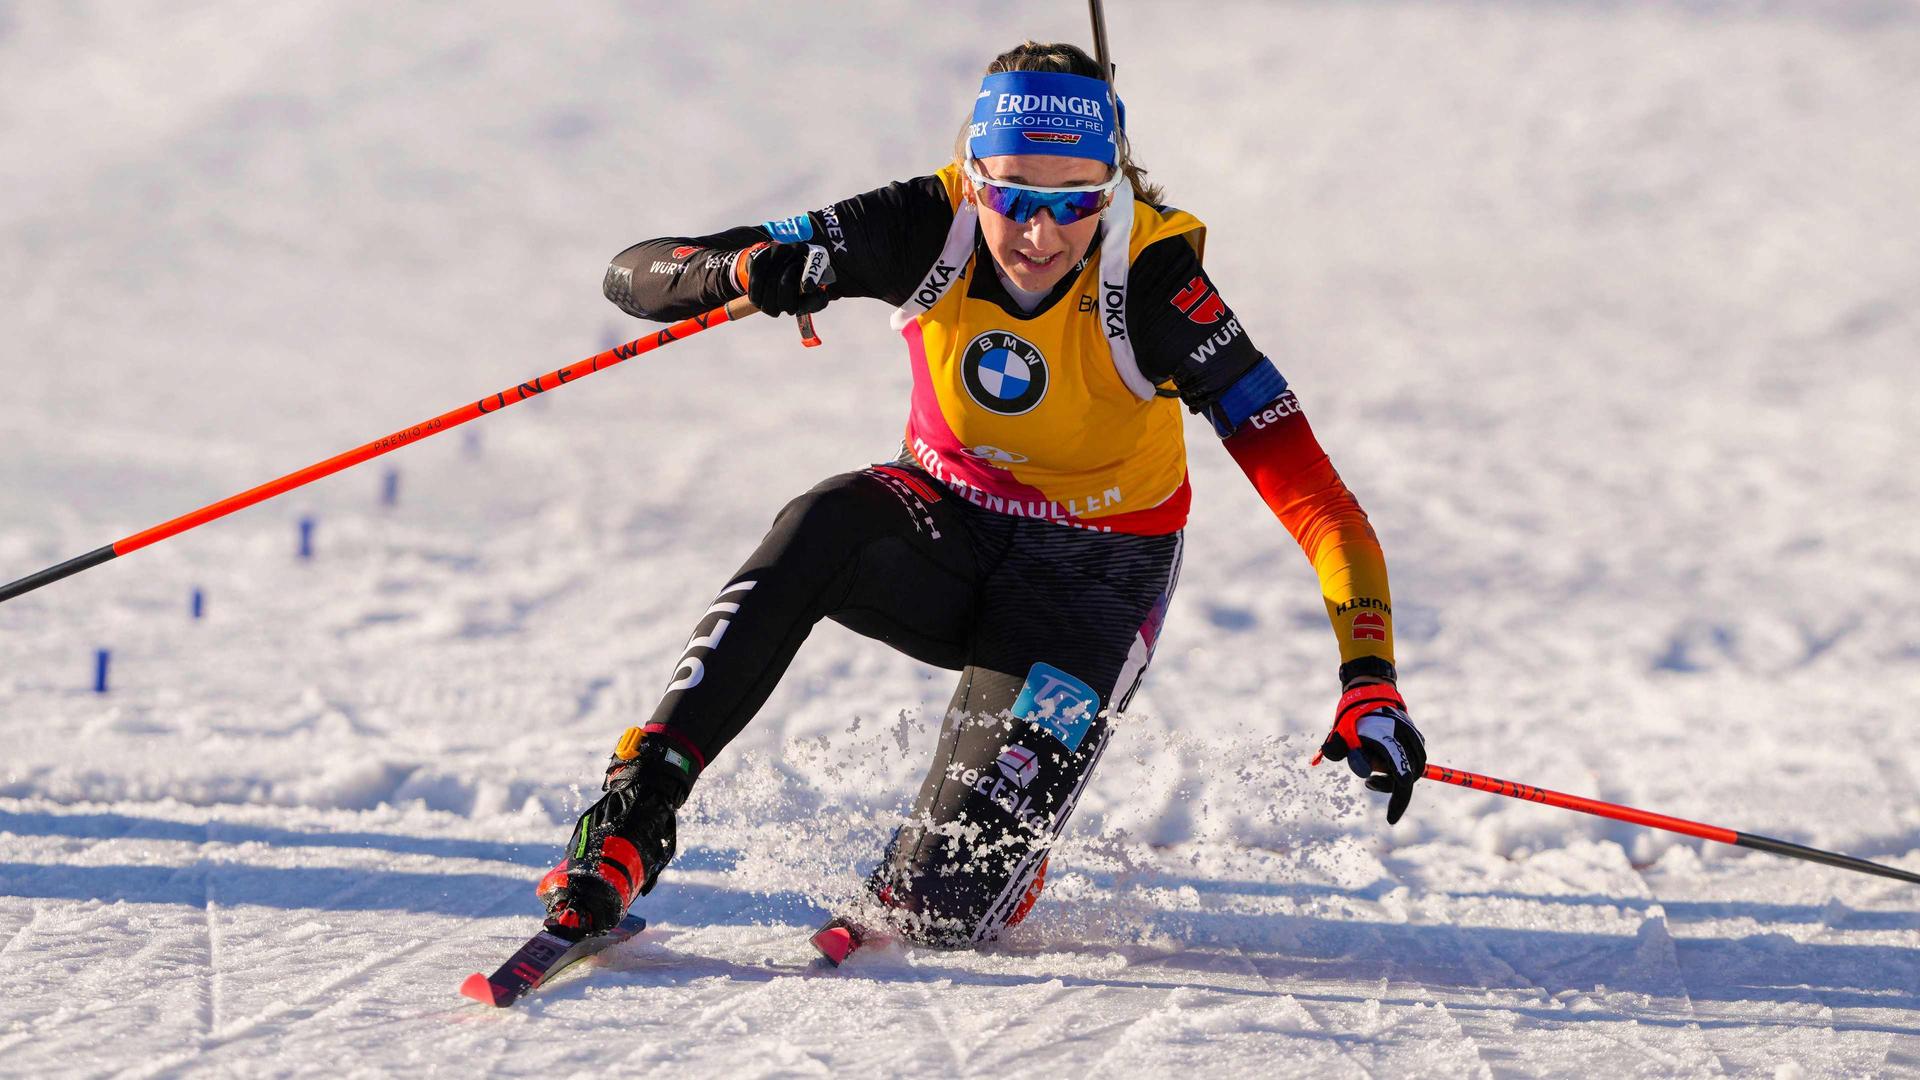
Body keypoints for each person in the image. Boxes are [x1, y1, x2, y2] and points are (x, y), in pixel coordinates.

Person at [536, 41, 1426, 953]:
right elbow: (633, 273)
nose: (1041, 236)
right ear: (973, 177)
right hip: (942, 529)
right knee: (825, 519)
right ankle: (632, 817)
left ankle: (987, 852)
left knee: (934, 910)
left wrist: (1371, 680)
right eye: (1012, 200)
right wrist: (744, 270)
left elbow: (1319, 500)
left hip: (1091, 578)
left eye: (1075, 206)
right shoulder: (926, 221)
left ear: (1113, 190)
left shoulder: (1157, 284)